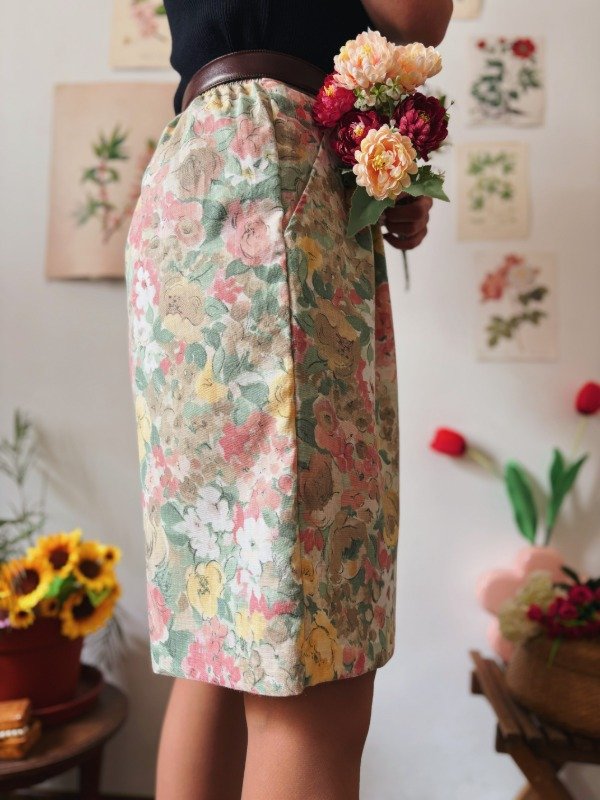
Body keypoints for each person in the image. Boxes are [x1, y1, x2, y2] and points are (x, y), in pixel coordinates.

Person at [123, 2, 453, 798]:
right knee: (314, 676)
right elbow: (418, 14)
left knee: (220, 628)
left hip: (201, 174)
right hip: (270, 178)